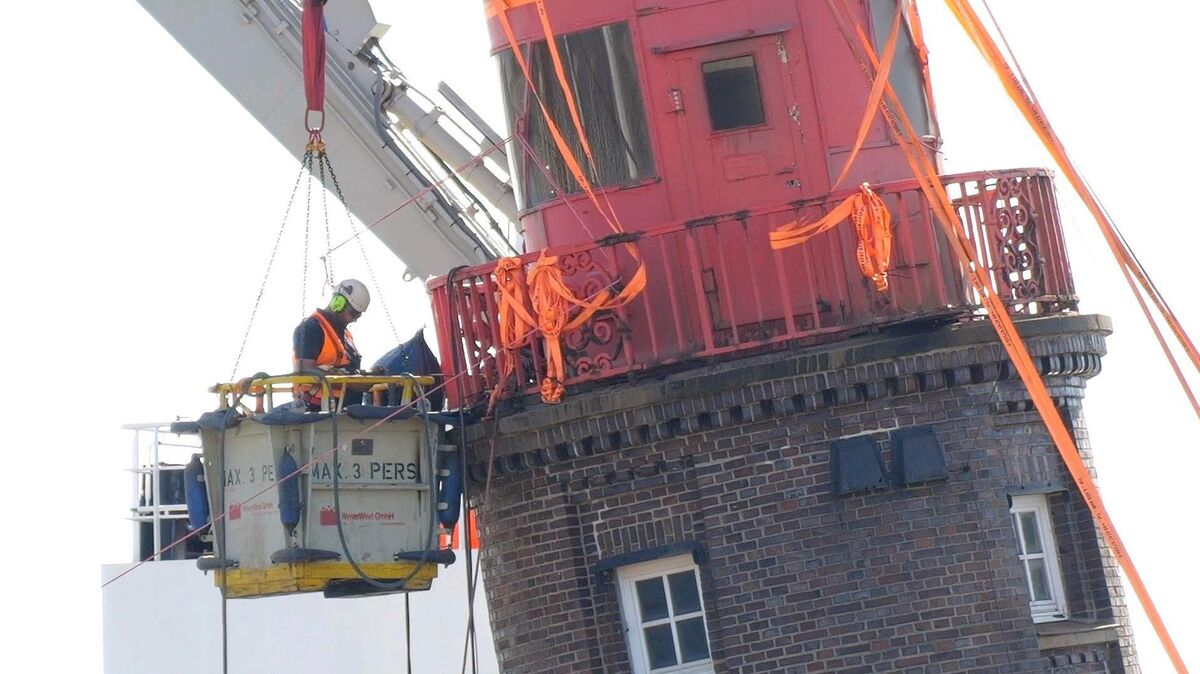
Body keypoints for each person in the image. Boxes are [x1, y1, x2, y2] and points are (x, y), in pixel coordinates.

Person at [292, 279, 371, 411]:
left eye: (358, 316)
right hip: (318, 410)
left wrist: (368, 376)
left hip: (346, 409)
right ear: (338, 303)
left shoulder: (345, 335)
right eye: (353, 314)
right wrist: (349, 383)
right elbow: (304, 371)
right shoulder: (311, 328)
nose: (354, 320)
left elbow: (348, 369)